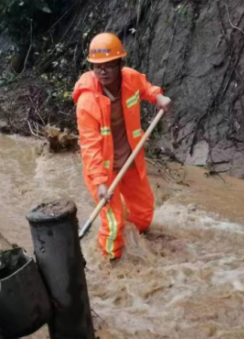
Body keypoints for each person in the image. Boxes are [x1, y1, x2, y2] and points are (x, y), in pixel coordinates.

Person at [72, 32, 171, 260]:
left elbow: (146, 88)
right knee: (114, 224)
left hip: (130, 160)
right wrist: (99, 183)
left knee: (144, 213)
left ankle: (136, 244)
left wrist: (158, 98)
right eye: (97, 67)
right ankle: (111, 264)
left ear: (119, 64)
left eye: (108, 65)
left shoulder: (130, 78)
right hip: (103, 171)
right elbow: (90, 146)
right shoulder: (87, 101)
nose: (102, 71)